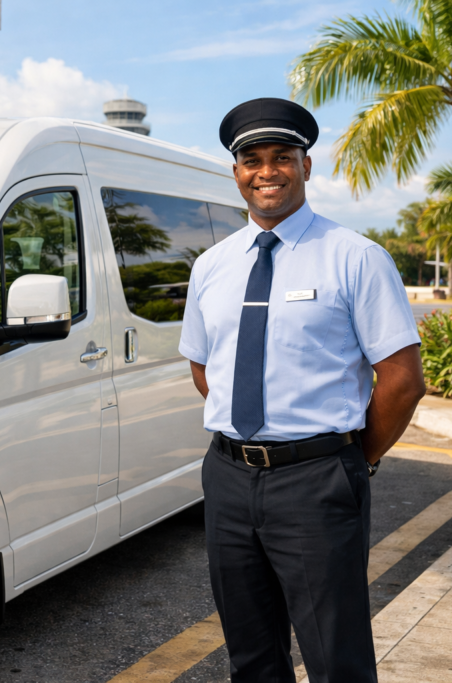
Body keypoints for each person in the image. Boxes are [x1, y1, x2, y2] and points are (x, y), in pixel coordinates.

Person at [179, 97, 426, 683]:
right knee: (251, 653)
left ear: (306, 166)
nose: (267, 171)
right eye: (252, 160)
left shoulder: (356, 258)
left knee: (335, 656)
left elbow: (402, 380)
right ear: (236, 173)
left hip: (318, 480)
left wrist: (350, 458)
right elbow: (202, 366)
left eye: (282, 156)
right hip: (229, 476)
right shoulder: (211, 265)